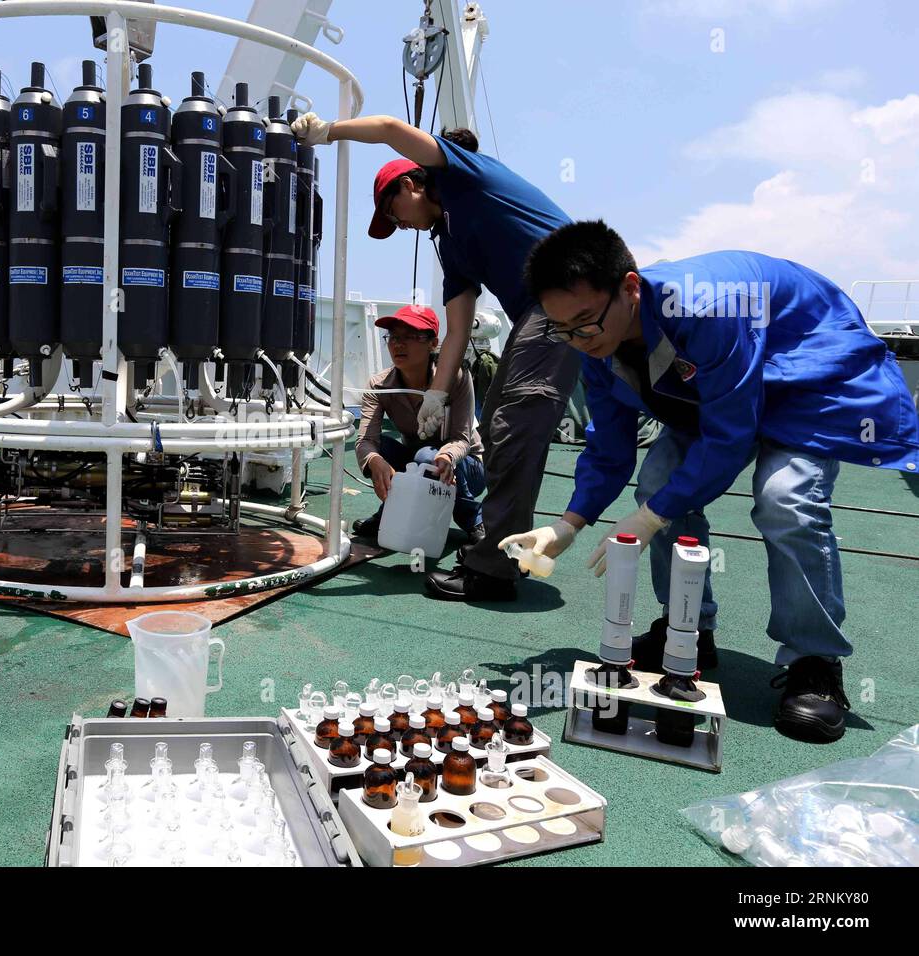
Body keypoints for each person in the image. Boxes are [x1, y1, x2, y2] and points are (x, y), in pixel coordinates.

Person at [502, 220, 919, 743]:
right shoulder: (595, 346)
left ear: (630, 288)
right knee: (660, 483)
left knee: (785, 499)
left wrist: (654, 515)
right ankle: (687, 632)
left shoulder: (707, 308)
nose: (579, 342)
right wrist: (567, 524)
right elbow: (610, 448)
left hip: (806, 372)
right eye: (562, 329)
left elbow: (728, 436)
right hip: (726, 388)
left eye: (585, 323)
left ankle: (815, 661)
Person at [292, 112, 580, 601]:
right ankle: (498, 548)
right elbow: (459, 328)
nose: (399, 225)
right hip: (545, 309)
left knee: (515, 423)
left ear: (411, 183)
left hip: (570, 292)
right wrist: (435, 395)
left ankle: (492, 569)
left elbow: (386, 129)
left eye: (393, 211)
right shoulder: (450, 247)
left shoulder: (460, 175)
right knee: (496, 429)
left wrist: (329, 133)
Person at [352, 304, 486, 541]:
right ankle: (390, 511)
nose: (397, 344)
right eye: (393, 337)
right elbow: (365, 440)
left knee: (427, 456)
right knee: (380, 448)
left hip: (468, 465)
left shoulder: (457, 377)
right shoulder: (379, 385)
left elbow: (462, 440)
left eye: (410, 337)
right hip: (418, 459)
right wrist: (374, 461)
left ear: (433, 343)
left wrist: (446, 456)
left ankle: (473, 519)